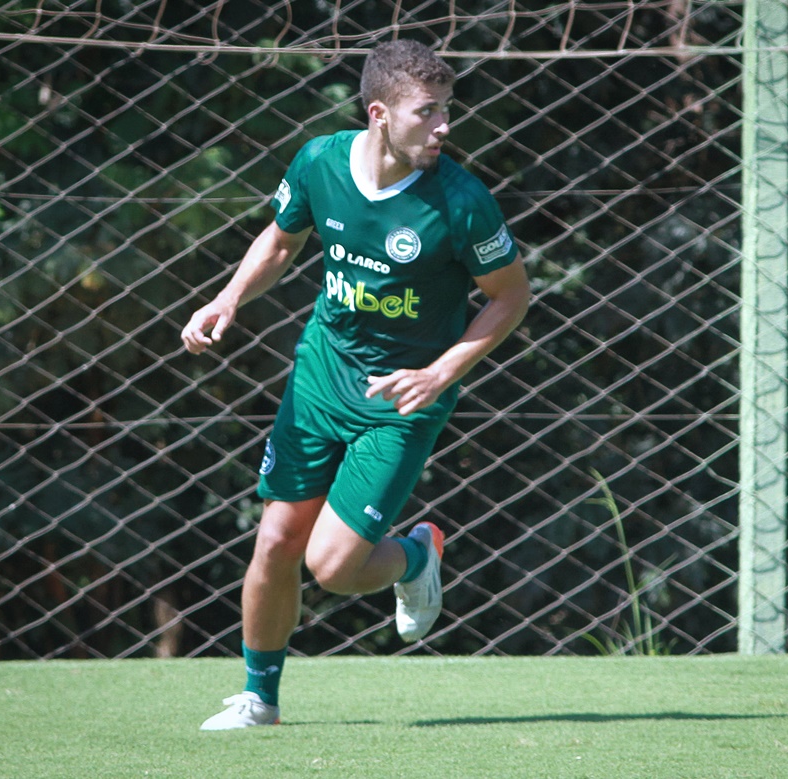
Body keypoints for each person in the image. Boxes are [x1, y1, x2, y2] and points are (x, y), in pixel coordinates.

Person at [180, 39, 529, 730]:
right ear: (379, 114)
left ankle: (415, 556)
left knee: (334, 566)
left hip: (399, 398)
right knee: (276, 540)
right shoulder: (319, 162)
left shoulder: (461, 201)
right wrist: (227, 299)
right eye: (427, 112)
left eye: (446, 111)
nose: (443, 127)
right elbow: (280, 242)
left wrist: (438, 372)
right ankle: (260, 698)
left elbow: (511, 296)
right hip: (321, 374)